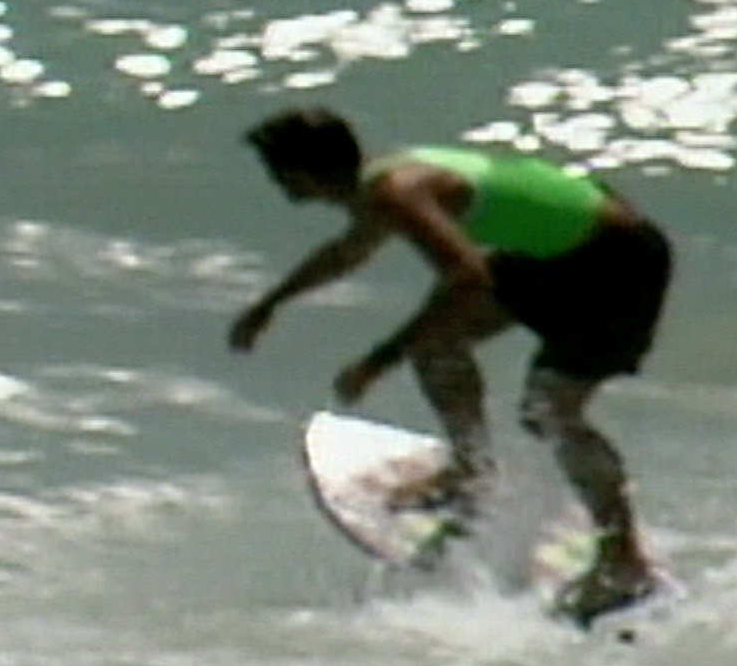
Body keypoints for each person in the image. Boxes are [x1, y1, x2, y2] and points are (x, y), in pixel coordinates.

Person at [227, 106, 672, 626]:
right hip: (557, 254)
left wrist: (379, 359)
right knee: (436, 348)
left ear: (302, 171)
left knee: (551, 410)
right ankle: (469, 474)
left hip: (616, 260)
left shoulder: (397, 190)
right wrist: (272, 302)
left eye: (277, 170)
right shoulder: (384, 182)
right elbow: (348, 252)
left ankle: (624, 561)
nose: (276, 183)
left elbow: (468, 276)